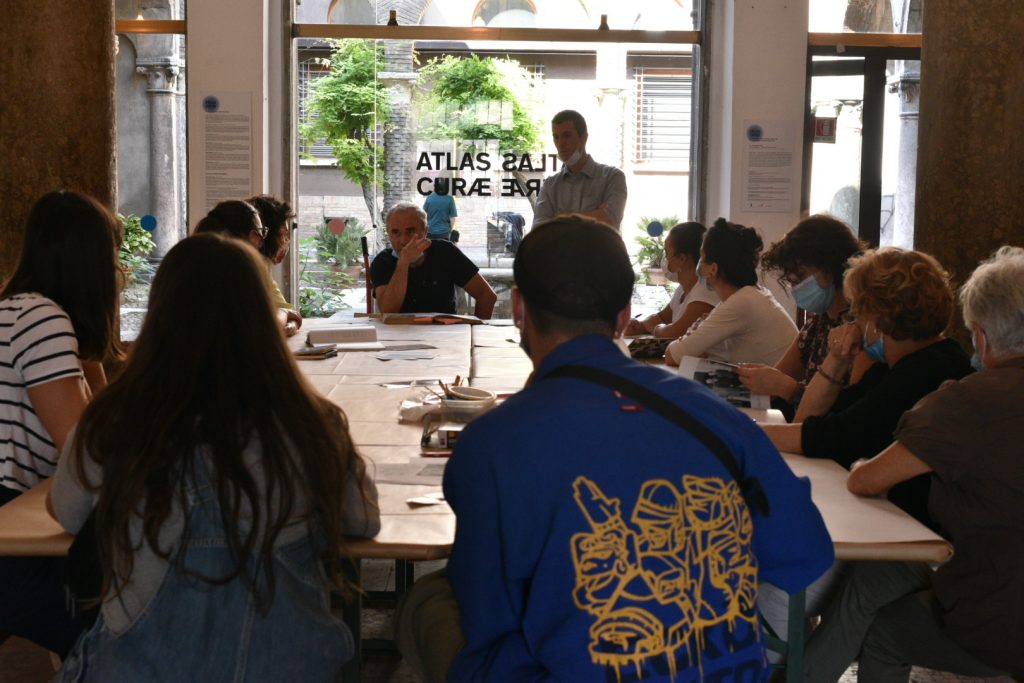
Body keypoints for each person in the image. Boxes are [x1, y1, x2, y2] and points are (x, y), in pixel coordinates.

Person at [395, 215, 833, 682]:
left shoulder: (491, 444)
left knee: (429, 600)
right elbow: (806, 553)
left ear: (518, 309)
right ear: (624, 317)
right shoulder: (720, 419)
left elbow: (489, 615)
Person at [50, 233, 381, 680]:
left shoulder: (112, 421)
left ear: (160, 316)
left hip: (143, 670)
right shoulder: (311, 423)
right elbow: (363, 520)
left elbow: (68, 512)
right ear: (261, 318)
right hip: (284, 668)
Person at [802, 246, 1024, 682]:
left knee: (881, 626)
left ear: (981, 336)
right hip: (980, 574)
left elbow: (866, 479)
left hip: (996, 611)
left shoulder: (966, 400)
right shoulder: (923, 376)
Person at [759, 247, 973, 525]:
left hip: (913, 529)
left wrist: (748, 432)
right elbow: (811, 421)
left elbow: (830, 436)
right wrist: (837, 359)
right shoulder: (892, 366)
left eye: (857, 311)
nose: (854, 322)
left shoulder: (927, 370)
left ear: (878, 318)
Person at [0, 190, 122, 657]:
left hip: (21, 522)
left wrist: (90, 353)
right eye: (113, 258)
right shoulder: (41, 319)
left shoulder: (21, 309)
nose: (119, 272)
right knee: (122, 632)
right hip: (13, 541)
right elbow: (85, 451)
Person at [737, 214, 868, 420]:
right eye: (791, 281)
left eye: (799, 278)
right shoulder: (816, 326)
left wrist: (787, 388)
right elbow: (777, 378)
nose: (795, 289)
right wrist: (760, 380)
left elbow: (852, 411)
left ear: (829, 269)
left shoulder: (862, 327)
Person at [665, 218, 797, 367]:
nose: (698, 264)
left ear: (713, 269)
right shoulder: (752, 294)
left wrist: (691, 339)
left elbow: (672, 355)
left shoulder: (741, 303)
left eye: (702, 257)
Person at [194, 199, 302, 336]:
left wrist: (286, 316)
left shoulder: (195, 259)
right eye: (262, 231)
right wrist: (284, 313)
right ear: (254, 236)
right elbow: (264, 328)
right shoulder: (237, 270)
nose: (285, 241)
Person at [370, 202, 496, 318]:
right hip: (399, 332)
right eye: (395, 232)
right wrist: (403, 263)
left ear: (425, 231)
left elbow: (486, 296)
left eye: (410, 231)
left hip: (444, 331)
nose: (403, 240)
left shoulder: (445, 252)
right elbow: (388, 311)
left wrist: (477, 329)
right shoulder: (382, 262)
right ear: (388, 234)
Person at [531, 109, 628, 230]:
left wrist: (559, 218)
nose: (560, 143)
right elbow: (539, 231)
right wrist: (594, 215)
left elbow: (609, 220)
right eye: (556, 137)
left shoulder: (612, 177)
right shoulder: (550, 186)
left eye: (567, 135)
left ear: (584, 138)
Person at [623, 221, 718, 339]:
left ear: (681, 259)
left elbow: (673, 333)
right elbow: (660, 318)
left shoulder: (706, 291)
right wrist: (639, 326)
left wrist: (654, 328)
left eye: (667, 252)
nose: (665, 259)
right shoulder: (682, 290)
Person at [249, 194, 301, 319]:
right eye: (281, 235)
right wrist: (286, 315)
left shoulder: (263, 264)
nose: (284, 241)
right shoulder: (247, 267)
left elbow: (287, 312)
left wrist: (288, 316)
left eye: (286, 235)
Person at [422, 176, 458, 241]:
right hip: (444, 232)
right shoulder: (449, 199)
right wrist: (450, 230)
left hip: (430, 231)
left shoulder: (429, 198)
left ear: (435, 187)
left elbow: (423, 214)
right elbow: (453, 218)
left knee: (431, 248)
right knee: (443, 248)